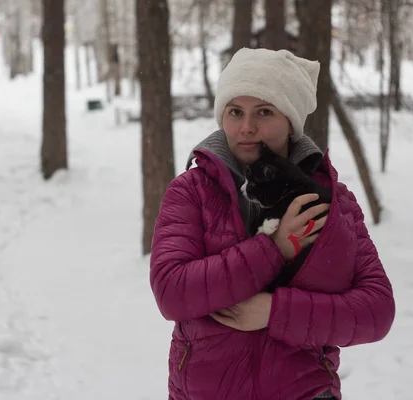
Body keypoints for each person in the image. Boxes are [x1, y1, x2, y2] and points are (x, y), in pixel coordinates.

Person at [149, 48, 396, 400]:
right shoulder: (192, 192)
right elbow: (172, 293)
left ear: (290, 120)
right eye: (235, 112)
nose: (246, 127)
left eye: (264, 112)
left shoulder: (333, 202)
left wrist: (276, 312)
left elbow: (376, 311)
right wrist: (274, 248)